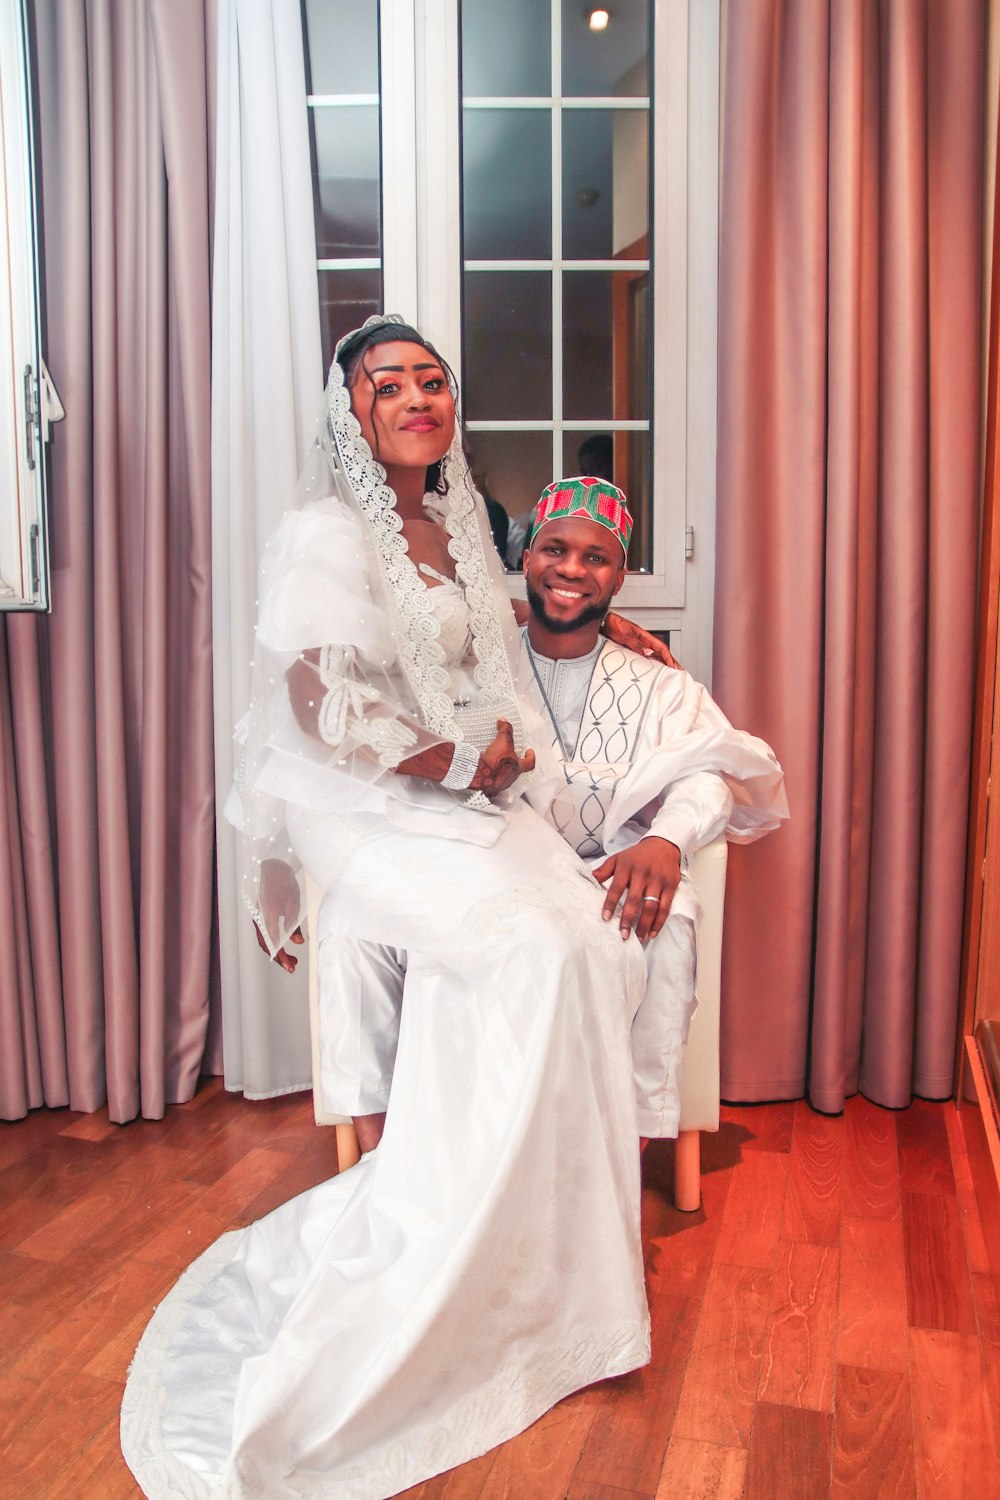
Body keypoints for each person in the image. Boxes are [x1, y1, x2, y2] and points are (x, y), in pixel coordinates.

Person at [121, 317, 658, 1500]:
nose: (417, 396)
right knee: (516, 947)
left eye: (432, 380)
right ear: (353, 414)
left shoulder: (472, 523)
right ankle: (449, 1253)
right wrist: (447, 767)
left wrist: (602, 629)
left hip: (469, 786)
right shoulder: (323, 535)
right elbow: (317, 709)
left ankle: (555, 1270)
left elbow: (515, 630)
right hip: (365, 800)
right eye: (388, 384)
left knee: (580, 939)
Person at [313, 477, 788, 1146]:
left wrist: (667, 841)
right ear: (526, 558)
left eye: (596, 558)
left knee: (671, 910)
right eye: (554, 550)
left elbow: (712, 768)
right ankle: (391, 1159)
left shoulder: (662, 684)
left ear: (620, 574)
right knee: (355, 917)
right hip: (495, 872)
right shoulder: (472, 672)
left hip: (602, 875)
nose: (571, 569)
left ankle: (630, 1152)